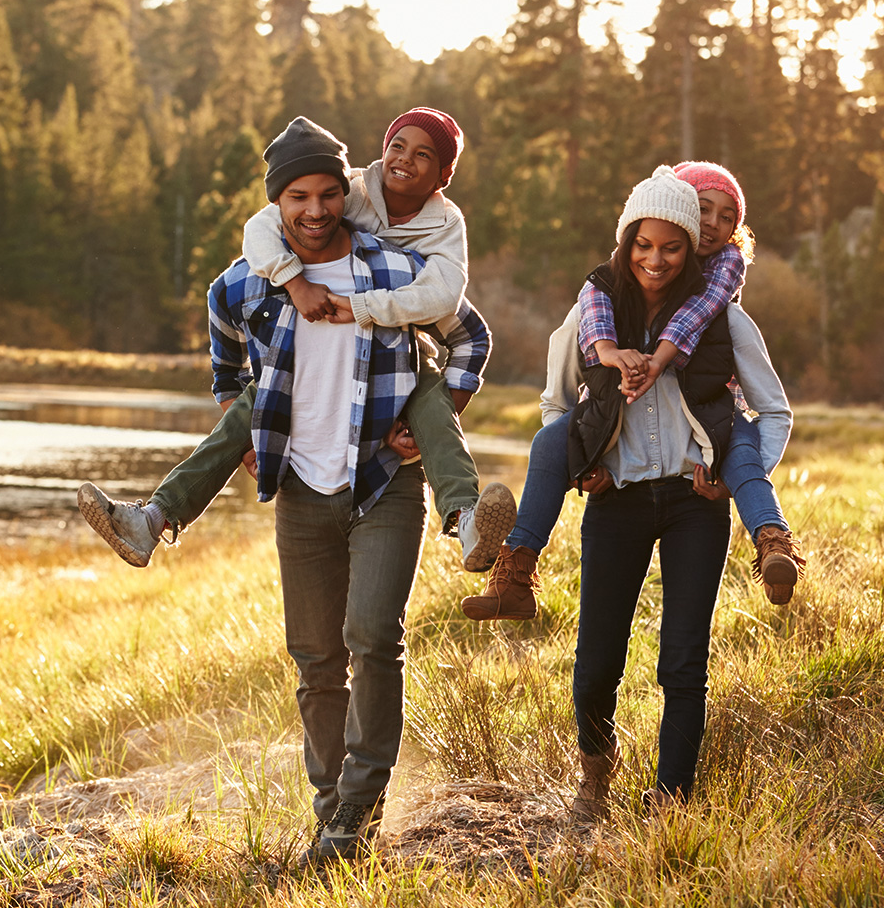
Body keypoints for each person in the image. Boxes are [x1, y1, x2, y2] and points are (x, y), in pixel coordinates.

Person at [196, 118, 492, 864]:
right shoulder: (249, 278)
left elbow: (469, 332)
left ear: (344, 195)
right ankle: (332, 815)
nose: (318, 210)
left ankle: (355, 814)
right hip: (299, 485)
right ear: (277, 205)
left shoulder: (392, 269)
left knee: (372, 640)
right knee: (315, 660)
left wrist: (435, 415)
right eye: (299, 197)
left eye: (329, 194)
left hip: (384, 480)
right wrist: (244, 427)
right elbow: (224, 342)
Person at [78, 109, 515, 576]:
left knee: (430, 399)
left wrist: (428, 414)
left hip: (402, 357)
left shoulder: (442, 228)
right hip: (303, 364)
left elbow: (451, 302)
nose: (403, 159)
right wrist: (292, 282)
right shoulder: (348, 190)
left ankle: (466, 520)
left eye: (423, 154)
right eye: (397, 146)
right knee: (253, 403)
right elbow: (262, 228)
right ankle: (153, 519)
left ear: (443, 176)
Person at [540, 166, 792, 819]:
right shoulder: (594, 311)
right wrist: (579, 464)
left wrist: (736, 478)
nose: (657, 258)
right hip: (616, 501)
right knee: (597, 658)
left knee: (683, 661)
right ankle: (595, 774)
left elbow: (774, 412)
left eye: (674, 245)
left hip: (693, 504)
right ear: (629, 243)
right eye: (645, 245)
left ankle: (672, 797)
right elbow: (554, 403)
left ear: (690, 249)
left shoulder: (725, 321)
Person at [462, 161, 806, 621]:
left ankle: (772, 541)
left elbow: (705, 323)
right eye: (703, 210)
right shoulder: (601, 292)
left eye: (728, 217)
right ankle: (516, 570)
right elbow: (561, 386)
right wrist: (587, 457)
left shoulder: (721, 294)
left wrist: (659, 361)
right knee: (549, 442)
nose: (714, 225)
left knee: (742, 450)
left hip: (708, 435)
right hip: (618, 468)